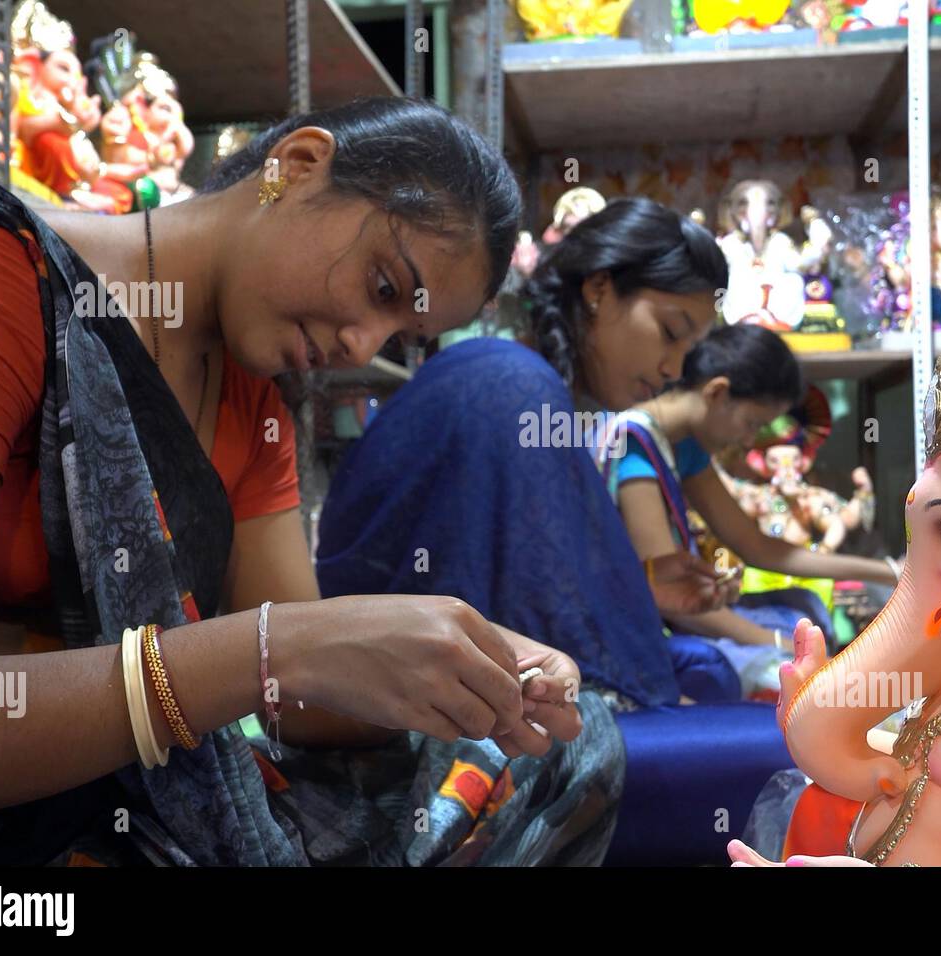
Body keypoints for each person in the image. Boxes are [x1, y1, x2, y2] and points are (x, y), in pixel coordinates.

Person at [0, 97, 647, 866]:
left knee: (561, 756)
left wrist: (474, 671)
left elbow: (294, 693)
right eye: (381, 286)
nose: (362, 344)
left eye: (402, 335)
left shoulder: (251, 399)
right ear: (295, 168)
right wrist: (268, 651)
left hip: (150, 803)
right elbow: (271, 656)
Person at [316, 198, 800, 863]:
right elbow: (529, 617)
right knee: (792, 750)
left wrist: (648, 597)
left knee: (775, 717)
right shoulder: (513, 384)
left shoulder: (538, 397)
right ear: (599, 291)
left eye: (689, 349)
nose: (670, 368)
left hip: (442, 698)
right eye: (668, 330)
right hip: (405, 734)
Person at [599, 323, 901, 697]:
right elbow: (673, 599)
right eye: (751, 424)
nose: (746, 441)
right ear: (718, 393)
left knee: (806, 608)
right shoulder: (634, 445)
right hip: (645, 634)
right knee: (794, 670)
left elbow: (758, 547)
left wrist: (890, 572)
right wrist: (772, 640)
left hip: (686, 616)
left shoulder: (684, 444)